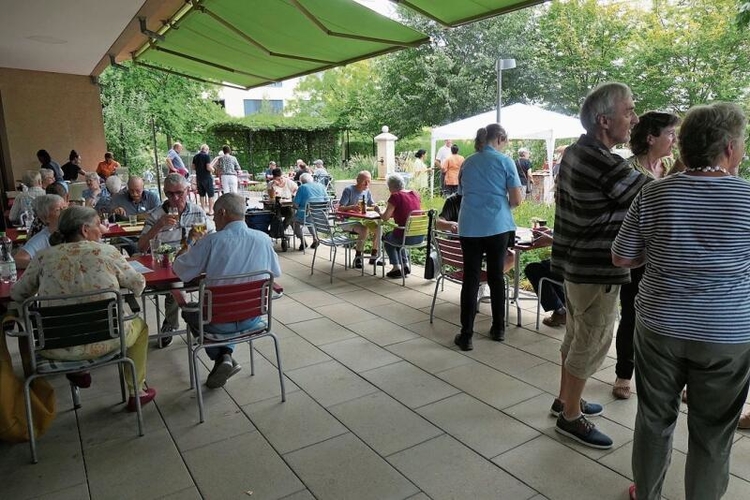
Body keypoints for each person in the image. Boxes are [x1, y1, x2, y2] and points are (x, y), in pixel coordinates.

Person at [612, 102, 750, 500]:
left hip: (659, 327)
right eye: (741, 143)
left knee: (653, 419)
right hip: (727, 335)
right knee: (712, 432)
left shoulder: (654, 195)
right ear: (727, 147)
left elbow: (622, 256)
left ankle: (647, 494)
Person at [550, 82, 649, 450]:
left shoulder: (580, 152)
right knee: (590, 341)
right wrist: (683, 158)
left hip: (578, 266)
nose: (634, 118)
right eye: (629, 110)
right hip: (595, 267)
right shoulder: (599, 159)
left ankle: (565, 399)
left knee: (576, 336)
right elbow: (651, 191)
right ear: (604, 121)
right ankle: (571, 418)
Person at [10, 206, 155, 411]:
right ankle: (137, 392)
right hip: (109, 340)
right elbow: (138, 284)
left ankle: (79, 371)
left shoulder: (43, 257)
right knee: (140, 327)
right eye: (98, 225)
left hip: (57, 347)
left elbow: (18, 294)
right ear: (85, 230)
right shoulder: (106, 252)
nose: (102, 229)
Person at [172, 193, 281, 389]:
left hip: (217, 324)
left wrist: (189, 243)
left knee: (189, 310)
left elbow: (180, 270)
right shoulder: (264, 239)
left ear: (223, 212)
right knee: (221, 312)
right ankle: (226, 356)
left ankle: (223, 356)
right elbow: (275, 273)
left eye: (214, 214)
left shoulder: (212, 241)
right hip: (254, 317)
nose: (213, 218)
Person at [612, 111, 681, 401]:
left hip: (664, 258)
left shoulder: (665, 166)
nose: (674, 139)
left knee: (671, 319)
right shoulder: (629, 169)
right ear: (651, 137)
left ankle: (676, 377)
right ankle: (623, 374)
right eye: (670, 133)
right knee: (631, 314)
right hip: (635, 257)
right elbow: (652, 196)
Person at [453, 124, 522, 352]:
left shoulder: (468, 162)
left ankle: (466, 335)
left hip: (470, 226)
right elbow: (517, 199)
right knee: (496, 276)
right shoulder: (505, 162)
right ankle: (498, 328)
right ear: (500, 138)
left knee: (471, 279)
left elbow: (462, 192)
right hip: (497, 226)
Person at [138, 174, 214, 347]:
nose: (175, 198)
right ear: (164, 193)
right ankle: (178, 323)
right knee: (176, 284)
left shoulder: (197, 211)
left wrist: (200, 237)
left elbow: (211, 235)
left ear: (187, 191)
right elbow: (141, 247)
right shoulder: (156, 214)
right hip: (166, 267)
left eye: (179, 193)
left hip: (193, 264)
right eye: (170, 194)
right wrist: (158, 226)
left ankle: (205, 321)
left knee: (212, 280)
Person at [374, 173, 422, 278]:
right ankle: (404, 265)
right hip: (419, 236)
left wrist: (378, 211)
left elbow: (385, 217)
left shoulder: (395, 196)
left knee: (387, 239)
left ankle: (396, 268)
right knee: (397, 239)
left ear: (391, 186)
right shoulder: (415, 194)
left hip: (405, 236)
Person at [523, 230, 566, 327]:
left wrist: (550, 239)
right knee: (545, 266)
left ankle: (561, 312)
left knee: (533, 269)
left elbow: (573, 244)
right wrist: (551, 231)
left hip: (574, 268)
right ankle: (563, 308)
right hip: (570, 264)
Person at [338, 170, 381, 268]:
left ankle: (373, 257)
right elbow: (340, 207)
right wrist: (352, 207)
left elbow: (371, 204)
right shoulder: (349, 190)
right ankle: (358, 258)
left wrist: (377, 206)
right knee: (364, 229)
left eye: (369, 181)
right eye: (365, 181)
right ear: (357, 180)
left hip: (363, 219)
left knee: (379, 229)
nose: (367, 184)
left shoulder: (367, 191)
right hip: (348, 220)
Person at [15, 194, 67, 269]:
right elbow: (18, 260)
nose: (64, 212)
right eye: (58, 210)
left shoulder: (74, 230)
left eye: (65, 208)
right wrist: (46, 265)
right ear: (45, 218)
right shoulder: (42, 237)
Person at [292, 173, 326, 251]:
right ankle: (315, 238)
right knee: (309, 216)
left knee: (293, 220)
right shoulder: (321, 186)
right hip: (320, 215)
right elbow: (326, 200)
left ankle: (302, 241)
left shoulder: (302, 187)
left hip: (306, 215)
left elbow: (295, 205)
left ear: (301, 182)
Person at [266, 167, 298, 232]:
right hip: (276, 205)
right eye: (278, 179)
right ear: (274, 178)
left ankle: (281, 231)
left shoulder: (288, 182)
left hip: (287, 204)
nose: (280, 180)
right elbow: (271, 196)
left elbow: (297, 189)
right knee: (277, 215)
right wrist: (272, 186)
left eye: (281, 178)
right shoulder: (271, 184)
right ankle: (281, 233)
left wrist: (293, 196)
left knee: (291, 213)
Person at [192, 144, 215, 214]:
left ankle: (202, 210)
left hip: (199, 177)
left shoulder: (195, 156)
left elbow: (193, 167)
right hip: (207, 177)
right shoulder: (206, 156)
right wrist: (213, 170)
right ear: (207, 150)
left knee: (201, 194)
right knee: (210, 194)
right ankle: (210, 210)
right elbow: (208, 167)